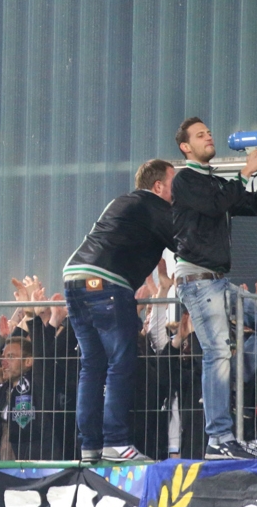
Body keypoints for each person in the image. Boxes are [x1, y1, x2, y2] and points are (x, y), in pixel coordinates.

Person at [171, 118, 257, 459]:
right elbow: (217, 204)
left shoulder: (216, 184)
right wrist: (245, 174)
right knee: (217, 353)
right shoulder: (185, 180)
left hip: (217, 281)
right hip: (197, 279)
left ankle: (228, 380)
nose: (209, 136)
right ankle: (218, 438)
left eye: (209, 132)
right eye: (200, 135)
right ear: (185, 147)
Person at [62, 158, 177, 463]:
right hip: (107, 283)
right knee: (120, 363)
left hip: (74, 277)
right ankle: (115, 442)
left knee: (92, 365)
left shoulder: (123, 202)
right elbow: (186, 241)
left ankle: (90, 446)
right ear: (158, 186)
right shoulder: (154, 205)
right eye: (174, 184)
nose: (178, 193)